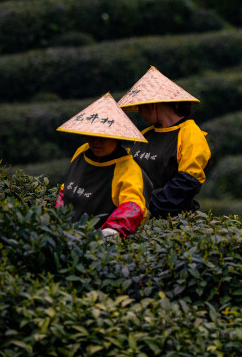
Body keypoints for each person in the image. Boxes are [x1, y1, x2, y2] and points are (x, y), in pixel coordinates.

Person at [117, 66, 211, 217]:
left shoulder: (189, 132)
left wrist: (149, 207)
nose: (140, 113)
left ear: (152, 105)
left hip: (171, 220)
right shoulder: (144, 135)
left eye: (140, 107)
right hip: (136, 213)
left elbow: (187, 183)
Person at [54, 93, 149, 239]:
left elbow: (133, 205)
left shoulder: (127, 167)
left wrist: (112, 230)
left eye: (104, 137)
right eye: (92, 134)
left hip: (98, 242)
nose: (96, 142)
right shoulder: (82, 152)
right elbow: (65, 189)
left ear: (117, 137)